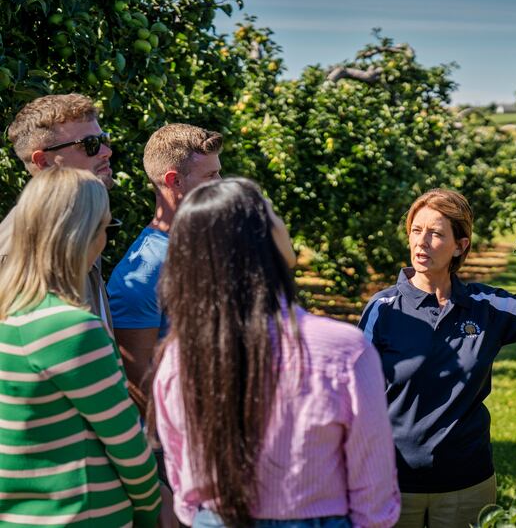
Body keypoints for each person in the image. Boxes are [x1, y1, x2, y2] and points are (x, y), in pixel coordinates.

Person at [358, 188, 516, 528]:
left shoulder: (484, 306)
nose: (422, 242)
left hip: (466, 483)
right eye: (416, 231)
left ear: (460, 246)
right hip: (392, 483)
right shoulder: (383, 310)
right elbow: (355, 395)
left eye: (436, 234)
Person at [151, 178, 400, 528]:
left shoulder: (178, 357)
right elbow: (373, 486)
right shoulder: (343, 350)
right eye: (271, 213)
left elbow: (181, 474)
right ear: (259, 239)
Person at [0, 167, 161, 527]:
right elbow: (126, 444)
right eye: (105, 227)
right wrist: (152, 509)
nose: (105, 238)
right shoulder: (70, 329)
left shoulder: (10, 314)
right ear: (81, 234)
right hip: (82, 515)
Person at [107, 123, 224, 411]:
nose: (221, 183)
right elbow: (139, 383)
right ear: (175, 181)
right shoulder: (142, 273)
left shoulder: (210, 243)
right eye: (210, 175)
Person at [1, 93, 115, 330]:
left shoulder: (80, 224)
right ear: (43, 161)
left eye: (104, 139)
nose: (106, 152)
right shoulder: (15, 251)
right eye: (90, 145)